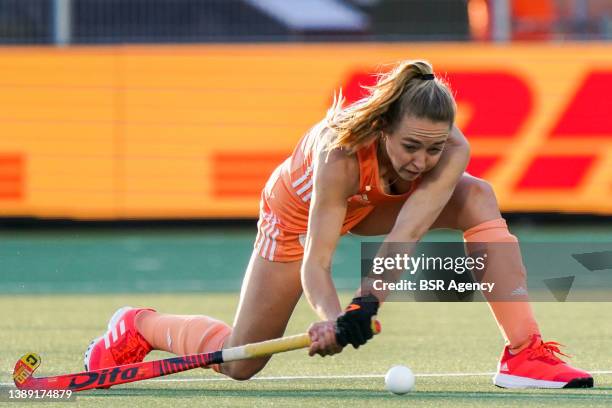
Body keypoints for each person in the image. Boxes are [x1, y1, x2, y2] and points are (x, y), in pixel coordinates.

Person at [83, 60, 593, 389]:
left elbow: (405, 237)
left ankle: (524, 355)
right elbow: (318, 259)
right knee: (241, 361)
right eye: (411, 146)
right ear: (385, 127)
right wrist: (331, 315)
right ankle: (139, 325)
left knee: (478, 196)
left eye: (433, 148)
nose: (422, 161)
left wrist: (364, 306)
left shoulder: (449, 152)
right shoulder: (342, 154)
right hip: (294, 216)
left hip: (377, 208)